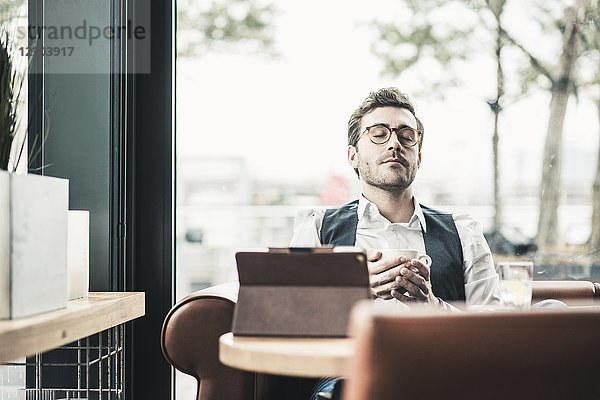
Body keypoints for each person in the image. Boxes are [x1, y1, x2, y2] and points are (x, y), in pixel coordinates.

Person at [290, 87, 503, 400]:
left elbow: (496, 327)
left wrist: (433, 307)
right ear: (353, 156)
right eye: (378, 133)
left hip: (442, 374)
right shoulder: (318, 227)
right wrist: (354, 288)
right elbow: (289, 315)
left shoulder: (462, 230)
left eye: (407, 135)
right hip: (348, 376)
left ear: (418, 156)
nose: (394, 142)